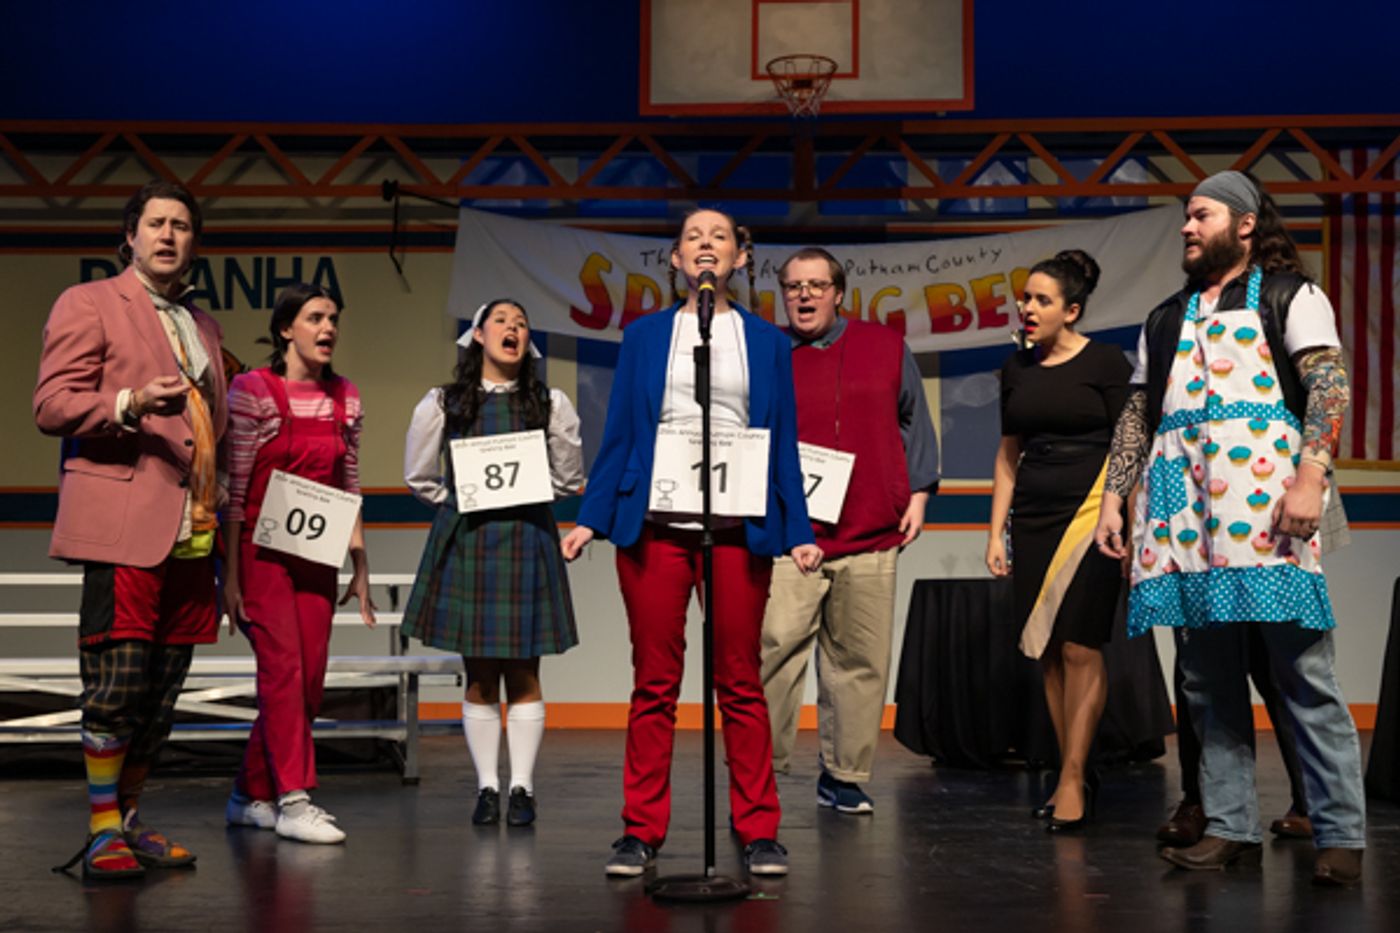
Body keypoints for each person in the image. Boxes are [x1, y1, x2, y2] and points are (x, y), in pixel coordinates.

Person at [1093, 171, 1365, 886]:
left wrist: (1312, 474)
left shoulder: (1289, 296)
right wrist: (1115, 498)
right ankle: (1229, 825)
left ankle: (1339, 830)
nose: (1186, 226)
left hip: (1266, 510)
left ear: (1244, 225)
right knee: (1205, 681)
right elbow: (1137, 413)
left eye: (1200, 214)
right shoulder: (1164, 316)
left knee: (1304, 672)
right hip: (1184, 519)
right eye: (1185, 215)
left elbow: (1328, 381)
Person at [560, 208, 822, 878]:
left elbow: (781, 437)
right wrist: (591, 517)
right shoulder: (645, 335)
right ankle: (640, 829)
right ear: (676, 260)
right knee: (654, 681)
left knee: (740, 680)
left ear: (739, 258)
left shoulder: (765, 340)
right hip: (654, 528)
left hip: (737, 529)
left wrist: (797, 531)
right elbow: (619, 431)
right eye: (693, 239)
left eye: (720, 239)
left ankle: (758, 827)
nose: (706, 247)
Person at [35, 181, 228, 880]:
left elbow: (213, 431)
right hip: (123, 521)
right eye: (156, 223)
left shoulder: (204, 326)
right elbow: (52, 403)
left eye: (181, 225)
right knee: (115, 684)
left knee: (161, 688)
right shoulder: (88, 303)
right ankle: (101, 828)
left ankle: (132, 817)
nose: (169, 235)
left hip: (192, 529)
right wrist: (128, 401)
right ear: (130, 235)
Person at [759, 247, 939, 814]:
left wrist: (918, 492)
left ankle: (843, 775)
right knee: (772, 655)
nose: (804, 295)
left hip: (870, 530)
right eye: (793, 287)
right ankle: (758, 775)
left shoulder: (884, 346)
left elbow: (915, 418)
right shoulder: (765, 355)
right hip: (789, 536)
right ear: (782, 295)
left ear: (839, 292)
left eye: (816, 285)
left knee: (859, 662)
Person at [402, 299, 584, 828]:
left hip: (527, 536)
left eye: (523, 323)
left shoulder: (550, 403)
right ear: (478, 335)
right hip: (470, 540)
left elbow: (568, 477)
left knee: (525, 670)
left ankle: (523, 787)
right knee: (479, 674)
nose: (514, 329)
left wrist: (525, 495)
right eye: (502, 321)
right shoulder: (445, 401)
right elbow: (420, 476)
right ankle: (486, 788)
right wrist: (460, 500)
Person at [222, 283, 375, 844]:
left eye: (333, 317)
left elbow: (349, 483)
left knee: (307, 683)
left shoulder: (346, 396)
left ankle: (247, 795)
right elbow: (235, 489)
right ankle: (293, 799)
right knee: (282, 670)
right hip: (260, 554)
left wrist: (360, 563)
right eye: (315, 317)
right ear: (286, 329)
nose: (328, 327)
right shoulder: (252, 391)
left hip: (316, 552)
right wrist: (231, 577)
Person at [985, 250, 1130, 832]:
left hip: (1094, 513)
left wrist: (1119, 515)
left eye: (1042, 300)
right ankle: (1074, 766)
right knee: (1046, 649)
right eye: (1025, 298)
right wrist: (995, 531)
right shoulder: (1015, 369)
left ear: (1071, 310)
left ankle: (1072, 777)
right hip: (1034, 516)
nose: (1028, 308)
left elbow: (1129, 446)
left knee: (1079, 645)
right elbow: (1007, 454)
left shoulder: (1107, 361)